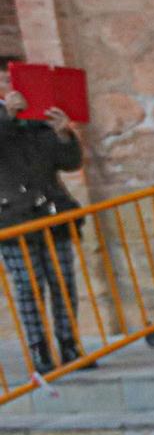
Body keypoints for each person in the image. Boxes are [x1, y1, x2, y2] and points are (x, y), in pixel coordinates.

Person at [0, 90, 86, 374]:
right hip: (12, 219)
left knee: (62, 282)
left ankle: (69, 343)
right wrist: (6, 116)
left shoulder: (37, 119)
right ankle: (39, 349)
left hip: (52, 214)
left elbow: (70, 161)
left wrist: (64, 134)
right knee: (28, 286)